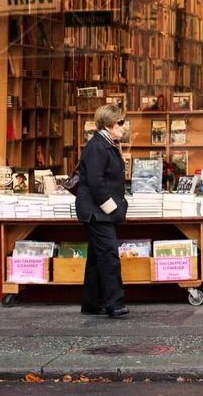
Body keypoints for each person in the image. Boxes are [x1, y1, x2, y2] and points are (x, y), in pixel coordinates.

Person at [75, 103, 130, 318]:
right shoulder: (98, 147)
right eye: (120, 123)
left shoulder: (105, 144)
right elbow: (96, 184)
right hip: (97, 212)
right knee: (108, 255)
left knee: (97, 258)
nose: (123, 127)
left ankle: (91, 303)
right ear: (108, 124)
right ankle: (114, 303)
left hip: (98, 211)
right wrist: (113, 209)